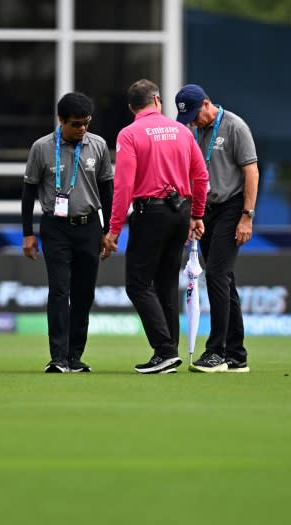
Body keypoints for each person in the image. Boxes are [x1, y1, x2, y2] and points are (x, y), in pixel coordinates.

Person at [103, 79, 208, 374]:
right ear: (157, 100)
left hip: (150, 212)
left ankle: (164, 350)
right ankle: (170, 351)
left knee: (138, 284)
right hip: (180, 212)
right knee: (164, 283)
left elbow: (123, 185)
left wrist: (113, 229)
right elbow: (200, 176)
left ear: (131, 107)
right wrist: (196, 214)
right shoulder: (182, 131)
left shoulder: (129, 134)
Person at [22, 92, 114, 373]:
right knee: (60, 291)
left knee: (84, 293)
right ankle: (58, 357)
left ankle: (75, 356)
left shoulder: (98, 145)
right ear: (61, 121)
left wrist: (109, 230)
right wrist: (27, 234)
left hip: (89, 226)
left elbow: (108, 191)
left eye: (86, 123)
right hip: (55, 228)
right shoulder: (41, 148)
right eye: (76, 124)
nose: (82, 128)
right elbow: (28, 192)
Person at [175, 84, 259, 373]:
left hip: (231, 207)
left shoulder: (235, 126)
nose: (193, 122)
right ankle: (237, 355)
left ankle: (217, 353)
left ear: (207, 104)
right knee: (225, 280)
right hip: (205, 210)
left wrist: (247, 216)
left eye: (196, 115)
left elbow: (251, 171)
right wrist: (192, 214)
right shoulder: (193, 131)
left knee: (218, 275)